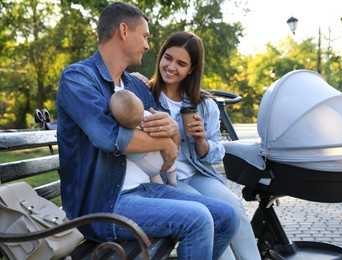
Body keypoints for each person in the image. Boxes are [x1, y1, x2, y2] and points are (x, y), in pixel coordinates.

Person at [56, 2, 239, 259]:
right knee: (197, 219)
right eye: (145, 36)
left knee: (227, 216)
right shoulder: (79, 78)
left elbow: (171, 137)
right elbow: (108, 138)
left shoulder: (136, 86)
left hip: (146, 190)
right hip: (102, 205)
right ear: (123, 31)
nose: (148, 45)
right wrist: (163, 143)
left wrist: (171, 134)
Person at [147, 31, 262, 260]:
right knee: (213, 219)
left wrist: (202, 142)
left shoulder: (203, 104)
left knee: (234, 208)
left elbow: (217, 151)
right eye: (168, 58)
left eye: (181, 63)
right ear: (160, 56)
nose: (171, 67)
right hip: (167, 180)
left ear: (191, 69)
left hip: (198, 174)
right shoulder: (145, 94)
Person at [109, 89, 177, 186]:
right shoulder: (147, 117)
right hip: (158, 160)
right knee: (171, 169)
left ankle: (163, 187)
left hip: (140, 163)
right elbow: (164, 133)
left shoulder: (118, 125)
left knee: (156, 180)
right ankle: (173, 183)